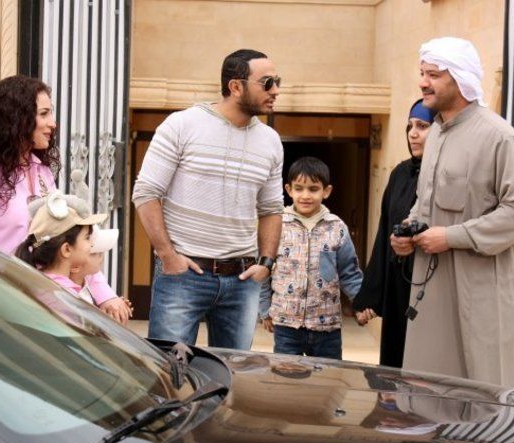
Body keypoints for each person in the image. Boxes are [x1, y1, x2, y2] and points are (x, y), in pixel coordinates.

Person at [390, 37, 514, 387]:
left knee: (483, 397)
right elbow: (425, 199)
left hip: (480, 294)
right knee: (427, 393)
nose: (423, 82)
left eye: (433, 75)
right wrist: (408, 230)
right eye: (422, 73)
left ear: (460, 78)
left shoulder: (498, 137)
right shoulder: (437, 135)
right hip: (431, 291)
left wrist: (452, 236)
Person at [0, 75, 131, 324]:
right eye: (44, 114)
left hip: (36, 308)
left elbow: (68, 238)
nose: (53, 123)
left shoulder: (42, 172)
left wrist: (104, 295)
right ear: (16, 117)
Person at [132, 49, 284, 349]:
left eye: (278, 81)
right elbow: (146, 192)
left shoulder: (270, 140)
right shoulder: (181, 125)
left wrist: (266, 264)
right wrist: (167, 255)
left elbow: (271, 209)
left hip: (243, 280)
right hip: (183, 275)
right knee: (170, 368)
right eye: (267, 82)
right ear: (235, 86)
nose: (276, 90)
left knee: (233, 371)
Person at [352, 100, 436, 367]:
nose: (413, 134)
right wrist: (370, 296)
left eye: (423, 126)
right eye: (410, 126)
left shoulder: (446, 175)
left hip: (432, 286)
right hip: (400, 286)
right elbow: (384, 235)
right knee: (395, 365)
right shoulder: (400, 173)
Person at [258, 157, 365, 359]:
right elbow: (263, 271)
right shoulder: (277, 226)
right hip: (286, 325)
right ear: (289, 190)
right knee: (287, 375)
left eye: (313, 189)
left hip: (327, 328)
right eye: (299, 189)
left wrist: (361, 304)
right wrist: (264, 310)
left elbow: (349, 272)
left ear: (326, 191)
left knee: (327, 377)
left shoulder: (337, 228)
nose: (305, 195)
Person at [15, 191, 106, 296]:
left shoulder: (43, 283)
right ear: (66, 249)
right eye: (87, 238)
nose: (91, 244)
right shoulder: (63, 294)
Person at [71, 227, 120, 305]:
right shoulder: (68, 293)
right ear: (74, 266)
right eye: (94, 253)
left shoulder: (86, 283)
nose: (101, 255)